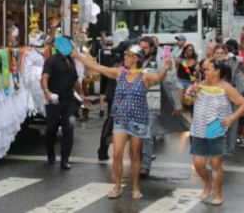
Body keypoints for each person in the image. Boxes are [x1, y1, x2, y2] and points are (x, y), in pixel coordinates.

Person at [74, 43, 173, 199]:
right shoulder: (119, 73)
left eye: (127, 55)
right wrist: (78, 56)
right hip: (120, 119)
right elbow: (97, 67)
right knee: (117, 153)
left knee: (134, 154)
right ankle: (117, 185)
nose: (124, 57)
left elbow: (158, 79)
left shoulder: (145, 76)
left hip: (138, 120)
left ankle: (135, 187)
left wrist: (166, 67)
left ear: (136, 59)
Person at [187, 59, 244, 206]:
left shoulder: (226, 88)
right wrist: (191, 93)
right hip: (199, 130)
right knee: (198, 164)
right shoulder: (200, 86)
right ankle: (208, 184)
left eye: (208, 69)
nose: (205, 72)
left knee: (215, 164)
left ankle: (218, 193)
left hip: (218, 131)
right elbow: (188, 103)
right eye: (204, 70)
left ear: (217, 71)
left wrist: (231, 118)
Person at [41, 37, 93, 170]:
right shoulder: (52, 60)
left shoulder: (72, 61)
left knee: (69, 127)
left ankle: (65, 159)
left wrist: (82, 97)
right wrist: (46, 91)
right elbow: (44, 77)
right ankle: (50, 153)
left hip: (69, 100)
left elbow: (75, 82)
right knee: (51, 129)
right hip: (54, 100)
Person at [139, 37, 185, 177]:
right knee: (137, 135)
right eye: (141, 47)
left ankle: (145, 165)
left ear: (152, 48)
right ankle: (138, 161)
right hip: (135, 103)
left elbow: (170, 81)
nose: (142, 50)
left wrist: (176, 103)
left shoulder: (160, 61)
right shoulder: (134, 59)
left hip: (152, 102)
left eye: (145, 48)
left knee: (147, 134)